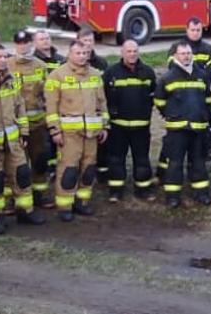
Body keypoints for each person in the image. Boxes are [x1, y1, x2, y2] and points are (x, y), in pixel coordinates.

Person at [44, 39, 108, 220]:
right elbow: (51, 106)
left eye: (85, 53)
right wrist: (55, 130)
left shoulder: (95, 74)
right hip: (69, 134)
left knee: (88, 169)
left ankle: (82, 202)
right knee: (69, 170)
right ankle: (65, 206)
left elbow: (102, 103)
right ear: (69, 54)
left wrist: (105, 126)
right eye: (78, 53)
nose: (82, 57)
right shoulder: (56, 76)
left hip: (92, 133)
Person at [0, 43, 39, 228]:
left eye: (5, 56)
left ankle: (25, 212)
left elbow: (20, 107)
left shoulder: (11, 79)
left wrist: (25, 132)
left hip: (14, 141)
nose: (3, 60)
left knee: (22, 175)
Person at [157, 41, 211, 207]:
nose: (186, 56)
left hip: (198, 128)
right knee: (175, 164)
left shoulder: (202, 75)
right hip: (177, 130)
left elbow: (208, 100)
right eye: (182, 53)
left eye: (188, 53)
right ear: (175, 56)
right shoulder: (167, 78)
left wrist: (204, 116)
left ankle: (202, 194)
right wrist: (171, 115)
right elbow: (159, 101)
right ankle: (173, 197)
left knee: (198, 162)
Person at [102, 39, 158, 202]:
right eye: (129, 51)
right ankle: (116, 191)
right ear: (122, 52)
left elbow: (153, 96)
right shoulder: (111, 72)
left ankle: (143, 190)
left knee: (142, 160)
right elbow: (103, 98)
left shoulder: (148, 72)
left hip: (141, 127)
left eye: (135, 51)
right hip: (118, 127)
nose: (132, 54)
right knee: (116, 159)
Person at [11, 30, 57, 207]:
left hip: (38, 125)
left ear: (31, 43)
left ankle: (40, 195)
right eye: (19, 43)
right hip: (15, 127)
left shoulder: (40, 66)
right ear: (15, 44)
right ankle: (16, 199)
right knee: (17, 166)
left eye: (26, 42)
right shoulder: (6, 66)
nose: (23, 46)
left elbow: (48, 94)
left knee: (39, 162)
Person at [176, 18, 211, 162]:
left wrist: (192, 71)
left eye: (198, 30)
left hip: (204, 100)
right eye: (193, 30)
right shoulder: (177, 47)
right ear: (187, 30)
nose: (195, 33)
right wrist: (201, 72)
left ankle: (208, 147)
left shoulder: (209, 49)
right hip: (184, 102)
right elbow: (175, 69)